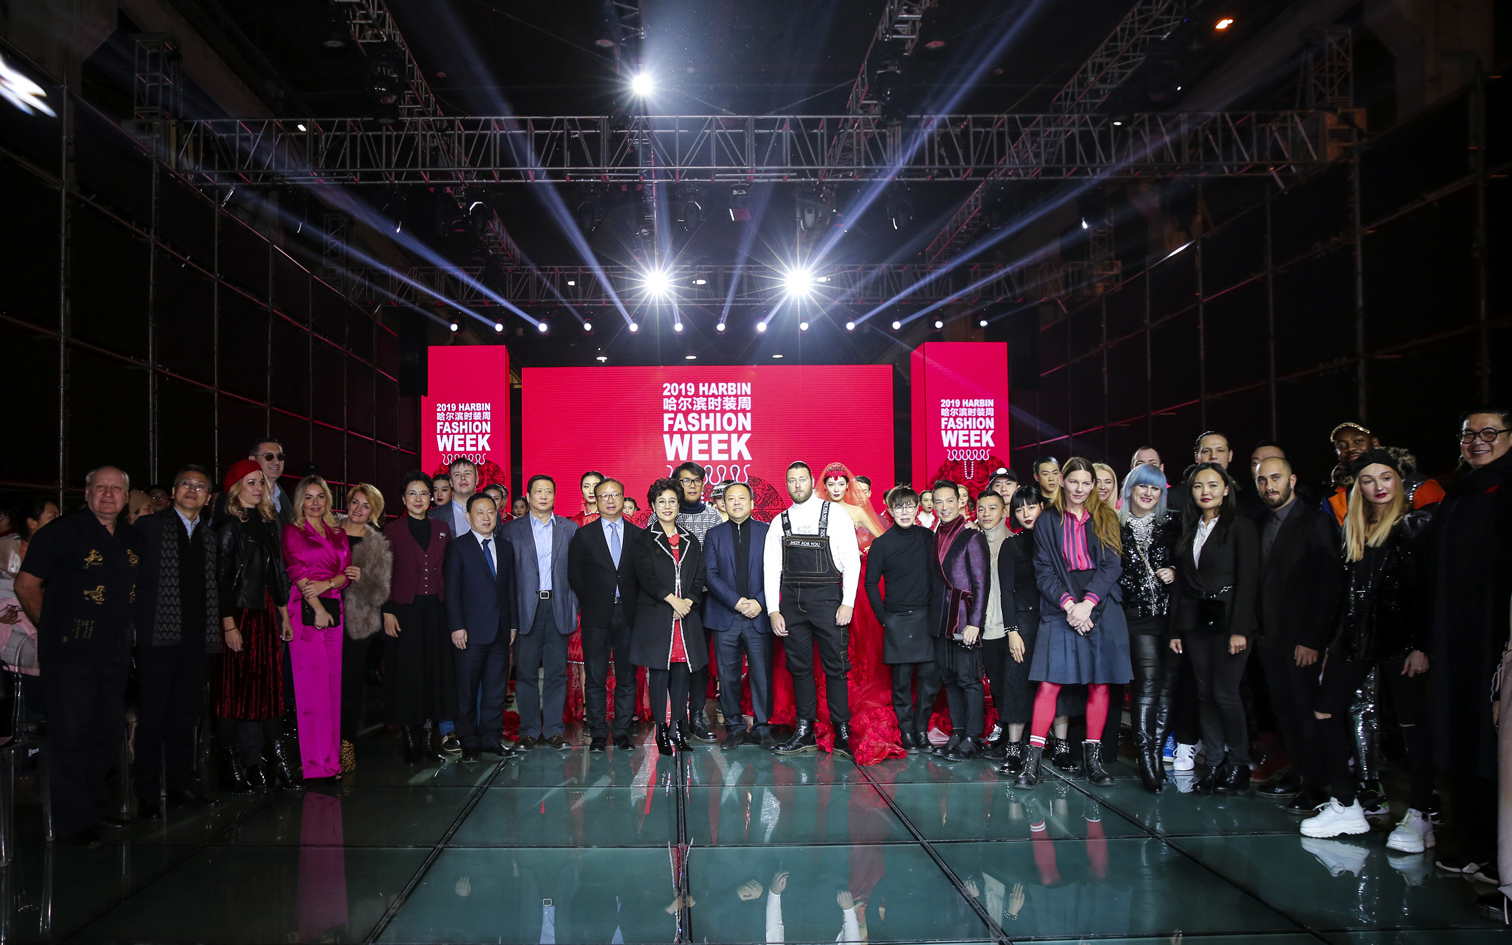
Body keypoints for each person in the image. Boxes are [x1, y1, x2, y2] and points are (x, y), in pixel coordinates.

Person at [1300, 450, 1435, 852]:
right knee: (1325, 711)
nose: (1378, 487)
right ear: (1358, 486)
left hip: (1401, 643)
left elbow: (1427, 593)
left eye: (1386, 478)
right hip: (1353, 640)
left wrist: (1421, 646)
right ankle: (1346, 804)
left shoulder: (1414, 526)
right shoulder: (1352, 529)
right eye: (1368, 480)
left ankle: (1421, 813)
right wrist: (1332, 642)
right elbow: (1343, 594)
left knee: (1412, 725)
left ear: (1398, 481)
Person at [15, 467, 142, 847]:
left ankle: (92, 809)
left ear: (126, 496)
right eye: (100, 488)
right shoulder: (59, 533)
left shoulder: (132, 537)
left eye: (116, 489)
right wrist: (52, 629)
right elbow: (26, 585)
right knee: (71, 735)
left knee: (106, 734)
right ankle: (72, 823)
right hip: (70, 654)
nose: (108, 494)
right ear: (86, 494)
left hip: (114, 652)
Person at [1427, 406, 1512, 881]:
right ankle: (1474, 843)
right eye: (1468, 434)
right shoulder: (1459, 492)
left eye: (1490, 432)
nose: (1478, 440)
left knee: (1495, 746)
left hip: (1497, 640)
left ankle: (1502, 859)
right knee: (1462, 739)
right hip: (1455, 640)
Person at [1014, 458, 1131, 789]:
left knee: (1100, 684)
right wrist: (1070, 606)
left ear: (1093, 485)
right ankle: (1032, 765)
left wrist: (1088, 604)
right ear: (1062, 481)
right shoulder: (1047, 520)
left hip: (1101, 604)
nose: (1080, 489)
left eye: (1086, 483)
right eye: (1074, 481)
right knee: (1049, 684)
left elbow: (1112, 566)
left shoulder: (1106, 516)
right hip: (1060, 605)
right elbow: (1043, 571)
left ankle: (1093, 762)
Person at [131, 465, 222, 817]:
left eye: (200, 486)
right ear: (173, 491)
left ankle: (180, 783)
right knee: (154, 714)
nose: (192, 490)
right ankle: (147, 791)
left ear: (208, 497)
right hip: (158, 635)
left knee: (186, 714)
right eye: (186, 483)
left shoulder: (210, 535)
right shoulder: (149, 527)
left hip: (198, 636)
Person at [1252, 456, 1341, 811]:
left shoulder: (1316, 521)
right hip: (1269, 638)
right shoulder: (1260, 522)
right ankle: (1298, 771)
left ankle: (1317, 784)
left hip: (1302, 639)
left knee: (1307, 711)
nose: (1269, 486)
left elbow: (1328, 586)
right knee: (1285, 710)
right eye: (1262, 480)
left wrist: (1312, 639)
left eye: (1276, 478)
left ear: (1292, 480)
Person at [1170, 462, 1260, 795]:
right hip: (1196, 622)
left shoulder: (1240, 526)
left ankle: (1238, 764)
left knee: (1225, 693)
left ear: (1225, 489)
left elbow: (1249, 581)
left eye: (1212, 485)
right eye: (1198, 486)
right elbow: (1183, 584)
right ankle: (1215, 763)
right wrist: (1176, 629)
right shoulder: (1190, 528)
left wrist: (1240, 629)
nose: (1205, 491)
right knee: (1205, 694)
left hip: (1230, 621)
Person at [765, 462, 863, 756]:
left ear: (811, 481)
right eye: (792, 480)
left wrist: (848, 602)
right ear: (787, 485)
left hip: (829, 603)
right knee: (800, 669)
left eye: (802, 479)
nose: (797, 485)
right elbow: (771, 569)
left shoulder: (835, 514)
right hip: (792, 606)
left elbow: (852, 560)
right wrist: (773, 610)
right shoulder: (779, 521)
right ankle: (805, 730)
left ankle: (842, 730)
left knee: (836, 668)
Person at [213, 459, 295, 793]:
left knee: (269, 691)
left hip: (265, 614)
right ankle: (234, 765)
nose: (258, 487)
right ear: (236, 489)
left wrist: (284, 615)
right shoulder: (228, 527)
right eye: (251, 482)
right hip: (240, 616)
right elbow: (220, 581)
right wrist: (229, 625)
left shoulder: (266, 522)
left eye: (261, 482)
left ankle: (275, 760)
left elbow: (276, 576)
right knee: (233, 693)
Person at [283, 475, 355, 783]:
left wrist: (328, 585)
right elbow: (297, 573)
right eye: (309, 497)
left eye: (320, 496)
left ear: (328, 500)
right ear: (300, 501)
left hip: (334, 608)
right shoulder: (292, 531)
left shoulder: (337, 531)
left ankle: (331, 763)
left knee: (332, 688)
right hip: (306, 611)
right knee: (312, 692)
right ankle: (315, 765)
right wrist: (320, 608)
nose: (315, 503)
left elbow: (346, 573)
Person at [499, 475, 579, 750]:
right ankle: (530, 731)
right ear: (528, 496)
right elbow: (506, 576)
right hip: (526, 609)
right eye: (538, 491)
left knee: (557, 673)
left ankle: (554, 730)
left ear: (555, 496)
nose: (543, 496)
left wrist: (573, 603)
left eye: (548, 492)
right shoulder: (511, 530)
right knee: (526, 673)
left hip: (558, 607)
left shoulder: (569, 529)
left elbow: (578, 572)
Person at [1116, 462, 1182, 793]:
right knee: (1148, 680)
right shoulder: (1114, 526)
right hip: (1135, 615)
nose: (1148, 493)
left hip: (1172, 616)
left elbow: (1191, 561)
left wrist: (1175, 570)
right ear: (1130, 488)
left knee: (1167, 687)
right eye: (1143, 486)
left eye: (1155, 488)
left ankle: (1156, 755)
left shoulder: (1173, 523)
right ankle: (1145, 758)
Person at [382, 473, 456, 765]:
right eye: (412, 494)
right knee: (407, 675)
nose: (418, 499)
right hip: (404, 611)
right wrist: (387, 610)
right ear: (403, 499)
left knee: (433, 674)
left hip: (435, 610)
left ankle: (428, 740)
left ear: (431, 498)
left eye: (423, 493)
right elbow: (382, 574)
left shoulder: (442, 528)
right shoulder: (391, 530)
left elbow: (449, 571)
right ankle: (410, 742)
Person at [633, 478, 708, 756]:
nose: (667, 506)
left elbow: (699, 574)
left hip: (685, 616)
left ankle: (678, 728)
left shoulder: (690, 539)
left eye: (672, 501)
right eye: (661, 501)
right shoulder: (644, 539)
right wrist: (671, 599)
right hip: (658, 616)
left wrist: (688, 600)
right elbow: (645, 577)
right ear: (653, 506)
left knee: (682, 674)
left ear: (679, 505)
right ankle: (661, 731)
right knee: (659, 674)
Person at [567, 477, 642, 752]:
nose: (610, 500)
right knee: (595, 677)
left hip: (629, 615)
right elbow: (574, 574)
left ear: (623, 498)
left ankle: (621, 731)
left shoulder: (638, 534)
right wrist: (593, 599)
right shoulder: (584, 534)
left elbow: (644, 575)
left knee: (627, 677)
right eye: (604, 496)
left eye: (615, 495)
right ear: (596, 501)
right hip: (596, 615)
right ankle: (598, 732)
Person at [444, 491, 518, 763]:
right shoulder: (458, 547)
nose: (486, 517)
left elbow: (510, 589)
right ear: (468, 516)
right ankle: (469, 742)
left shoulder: (505, 547)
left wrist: (512, 624)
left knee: (496, 690)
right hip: (469, 633)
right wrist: (457, 626)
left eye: (491, 511)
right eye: (480, 512)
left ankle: (491, 739)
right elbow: (451, 591)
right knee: (466, 690)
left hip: (500, 631)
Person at [865, 487, 938, 754]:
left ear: (917, 508)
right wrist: (883, 617)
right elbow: (871, 583)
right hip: (896, 619)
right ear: (890, 510)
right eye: (899, 507)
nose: (904, 512)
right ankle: (906, 732)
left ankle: (921, 730)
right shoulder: (881, 544)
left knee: (930, 680)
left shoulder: (929, 538)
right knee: (902, 683)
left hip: (926, 618)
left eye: (909, 506)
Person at [703, 481, 775, 750]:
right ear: (723, 504)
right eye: (730, 498)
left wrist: (760, 602)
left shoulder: (768, 532)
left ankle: (762, 728)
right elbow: (710, 575)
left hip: (759, 615)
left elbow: (777, 571)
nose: (736, 503)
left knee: (761, 675)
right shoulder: (714, 535)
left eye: (741, 498)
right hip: (726, 616)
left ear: (752, 503)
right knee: (728, 676)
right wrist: (736, 602)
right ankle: (733, 728)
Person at [927, 481, 990, 762]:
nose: (944, 507)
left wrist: (975, 623)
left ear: (960, 502)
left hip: (964, 618)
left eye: (949, 501)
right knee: (950, 679)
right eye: (938, 502)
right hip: (941, 619)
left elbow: (981, 583)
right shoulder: (934, 536)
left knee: (969, 679)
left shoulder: (972, 536)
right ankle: (958, 731)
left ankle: (973, 737)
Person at [337, 483, 391, 773]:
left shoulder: (377, 544)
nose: (358, 509)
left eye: (365, 505)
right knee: (323, 685)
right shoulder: (328, 531)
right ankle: (319, 747)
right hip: (323, 618)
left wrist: (363, 579)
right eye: (355, 502)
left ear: (374, 512)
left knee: (350, 685)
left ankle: (346, 745)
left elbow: (381, 593)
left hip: (358, 624)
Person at [994, 489, 1045, 775]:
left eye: (1031, 506)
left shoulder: (1056, 540)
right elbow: (1007, 592)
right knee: (1016, 683)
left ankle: (1059, 746)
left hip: (1052, 619)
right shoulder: (1011, 545)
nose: (1025, 513)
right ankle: (1013, 749)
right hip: (1022, 621)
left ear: (1042, 507)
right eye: (1019, 509)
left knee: (1054, 685)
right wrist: (1012, 630)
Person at [673, 462, 723, 743]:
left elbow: (715, 562)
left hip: (704, 598)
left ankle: (697, 715)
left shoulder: (714, 516)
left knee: (699, 660)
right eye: (685, 480)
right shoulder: (666, 512)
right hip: (672, 601)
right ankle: (675, 717)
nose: (692, 485)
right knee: (676, 661)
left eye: (697, 480)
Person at [1325, 422, 1446, 524]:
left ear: (1375, 443)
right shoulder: (1335, 496)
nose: (1350, 448)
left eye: (1358, 441)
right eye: (1341, 446)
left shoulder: (1420, 486)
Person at [975, 489, 1014, 761]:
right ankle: (1004, 729)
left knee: (1011, 684)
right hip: (985, 627)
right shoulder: (974, 543)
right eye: (981, 509)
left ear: (1004, 511)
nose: (986, 514)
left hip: (1010, 628)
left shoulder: (1013, 542)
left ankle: (1013, 736)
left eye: (992, 508)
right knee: (997, 685)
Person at [0, 497, 59, 600]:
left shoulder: (63, 549)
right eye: (53, 517)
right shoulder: (7, 547)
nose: (61, 522)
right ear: (32, 523)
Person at [430, 457, 479, 540]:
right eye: (457, 474)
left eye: (467, 473)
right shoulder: (433, 516)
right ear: (451, 482)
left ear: (477, 479)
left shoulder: (491, 513)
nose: (463, 478)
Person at [250, 438, 293, 525]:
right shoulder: (241, 498)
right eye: (269, 457)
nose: (276, 461)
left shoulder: (289, 500)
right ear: (253, 460)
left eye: (280, 457)